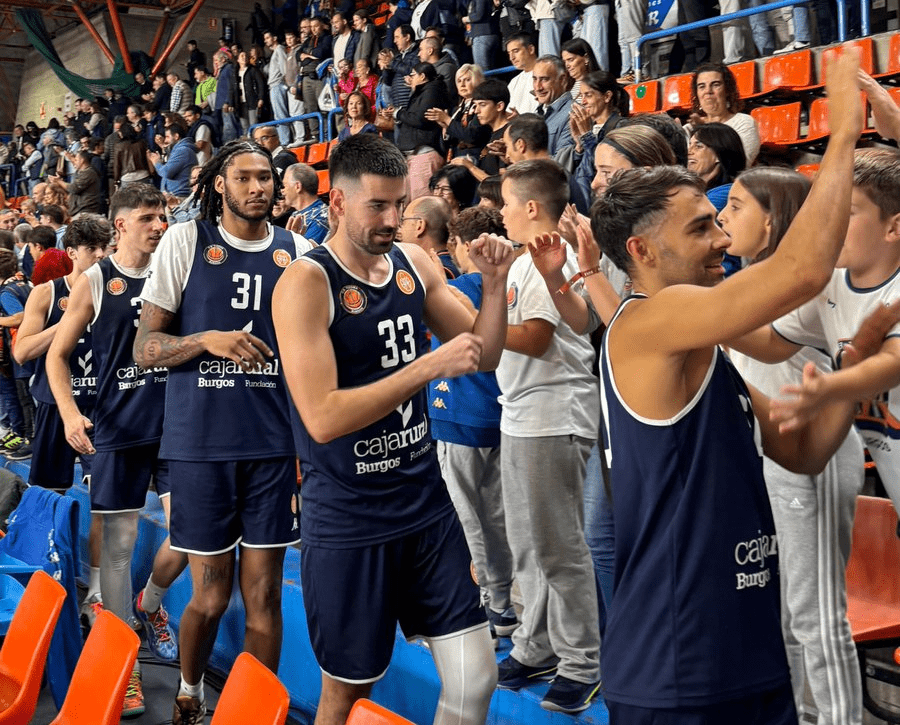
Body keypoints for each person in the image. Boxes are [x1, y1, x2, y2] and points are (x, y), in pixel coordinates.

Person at [590, 50, 865, 724]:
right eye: (701, 228)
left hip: (741, 649)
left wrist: (860, 372)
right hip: (678, 661)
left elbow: (798, 450)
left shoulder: (702, 344)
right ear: (643, 253)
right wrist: (845, 134)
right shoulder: (648, 323)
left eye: (718, 220)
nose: (721, 238)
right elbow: (800, 271)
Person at [272, 133, 513, 725]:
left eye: (399, 205)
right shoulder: (307, 282)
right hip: (352, 516)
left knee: (478, 678)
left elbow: (483, 354)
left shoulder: (414, 261)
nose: (391, 219)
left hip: (425, 506)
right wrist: (426, 367)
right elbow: (323, 418)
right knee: (348, 689)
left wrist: (495, 284)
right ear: (337, 205)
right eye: (376, 206)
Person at [133, 140, 312, 725]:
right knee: (211, 596)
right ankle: (190, 691)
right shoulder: (187, 242)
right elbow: (146, 349)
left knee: (262, 597)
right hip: (201, 447)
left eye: (267, 178)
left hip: (272, 447)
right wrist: (207, 339)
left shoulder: (299, 252)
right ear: (220, 185)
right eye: (246, 178)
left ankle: (257, 712)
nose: (260, 187)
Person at [718, 166, 864, 725]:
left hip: (814, 456)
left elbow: (769, 352)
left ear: (774, 218)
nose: (724, 216)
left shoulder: (811, 283)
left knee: (815, 615)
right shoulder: (749, 279)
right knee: (781, 613)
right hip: (767, 458)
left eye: (735, 205)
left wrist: (684, 311)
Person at [46, 186, 185, 718]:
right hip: (119, 432)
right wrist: (66, 412)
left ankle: (150, 606)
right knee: (118, 553)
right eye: (148, 217)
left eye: (163, 216)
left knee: (195, 535)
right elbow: (58, 356)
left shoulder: (176, 273)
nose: (158, 225)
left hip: (176, 428)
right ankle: (123, 667)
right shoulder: (95, 282)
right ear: (120, 226)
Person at [493, 159, 601, 714]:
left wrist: (475, 323)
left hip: (553, 414)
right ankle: (536, 645)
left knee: (558, 547)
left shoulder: (543, 260)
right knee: (529, 545)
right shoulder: (523, 261)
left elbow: (536, 338)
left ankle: (583, 660)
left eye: (508, 203)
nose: (502, 212)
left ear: (532, 207)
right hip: (524, 413)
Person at [429, 205, 517, 644]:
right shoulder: (510, 286)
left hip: (458, 419)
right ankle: (501, 603)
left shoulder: (456, 291)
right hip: (501, 418)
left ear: (463, 245)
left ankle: (484, 605)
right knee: (496, 519)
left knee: (468, 523)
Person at [14, 214, 107, 625]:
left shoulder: (116, 289)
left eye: (108, 248)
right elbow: (22, 352)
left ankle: (99, 594)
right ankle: (41, 579)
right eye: (93, 250)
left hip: (101, 410)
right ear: (72, 253)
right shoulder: (48, 294)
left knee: (107, 500)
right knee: (47, 496)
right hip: (54, 407)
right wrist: (70, 323)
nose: (103, 256)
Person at [564, 71, 627, 214]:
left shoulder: (620, 127)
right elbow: (581, 171)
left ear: (607, 96)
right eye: (581, 96)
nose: (583, 102)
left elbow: (598, 167)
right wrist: (579, 146)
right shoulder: (590, 128)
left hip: (607, 207)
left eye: (588, 95)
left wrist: (587, 137)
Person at [686, 63, 760, 166]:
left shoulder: (744, 122)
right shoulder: (689, 129)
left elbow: (739, 164)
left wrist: (704, 131)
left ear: (727, 90)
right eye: (702, 86)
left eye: (716, 85)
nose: (708, 91)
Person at [425, 64, 489, 162]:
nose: (462, 85)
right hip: (456, 157)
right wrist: (446, 128)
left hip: (475, 158)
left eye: (467, 80)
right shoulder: (456, 109)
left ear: (478, 81)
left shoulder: (482, 106)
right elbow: (450, 143)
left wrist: (447, 120)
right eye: (459, 81)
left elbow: (472, 136)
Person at [450, 79, 512, 181]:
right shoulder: (490, 133)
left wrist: (470, 167)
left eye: (482, 105)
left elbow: (502, 184)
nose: (476, 111)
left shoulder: (508, 134)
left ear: (499, 106)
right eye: (475, 105)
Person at [389, 62, 447, 154]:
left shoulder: (432, 92)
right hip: (414, 148)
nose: (410, 79)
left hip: (421, 150)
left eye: (413, 75)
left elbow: (419, 119)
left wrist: (398, 113)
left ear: (422, 76)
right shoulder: (423, 91)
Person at [396, 195, 458, 278]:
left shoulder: (432, 273)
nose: (400, 229)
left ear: (420, 226)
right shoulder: (454, 265)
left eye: (403, 221)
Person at [687, 122, 746, 195]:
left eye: (698, 146)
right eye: (690, 144)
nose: (689, 152)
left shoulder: (723, 194)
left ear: (719, 154)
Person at [148, 117, 199, 199]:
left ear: (176, 136)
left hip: (179, 196)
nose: (165, 140)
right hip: (174, 195)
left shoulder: (182, 150)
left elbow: (167, 172)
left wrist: (156, 162)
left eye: (167, 137)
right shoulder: (179, 149)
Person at [283, 162, 330, 244]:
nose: (282, 191)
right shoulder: (296, 214)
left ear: (298, 186)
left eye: (285, 185)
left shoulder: (320, 219)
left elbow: (306, 252)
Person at [264, 31, 293, 147]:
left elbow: (284, 69)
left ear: (274, 38)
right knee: (278, 114)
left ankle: (285, 141)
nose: (265, 41)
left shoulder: (279, 49)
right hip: (274, 86)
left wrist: (285, 83)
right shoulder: (275, 52)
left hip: (278, 85)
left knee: (281, 114)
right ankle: (284, 139)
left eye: (267, 37)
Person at [505, 33, 540, 115]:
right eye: (509, 53)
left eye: (516, 51)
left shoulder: (547, 75)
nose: (511, 58)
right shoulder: (514, 81)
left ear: (531, 49)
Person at [236, 51, 268, 133]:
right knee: (244, 126)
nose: (244, 58)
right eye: (242, 56)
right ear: (238, 59)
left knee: (254, 125)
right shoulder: (235, 73)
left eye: (246, 56)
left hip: (252, 102)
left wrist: (261, 98)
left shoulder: (253, 70)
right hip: (241, 104)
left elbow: (261, 84)